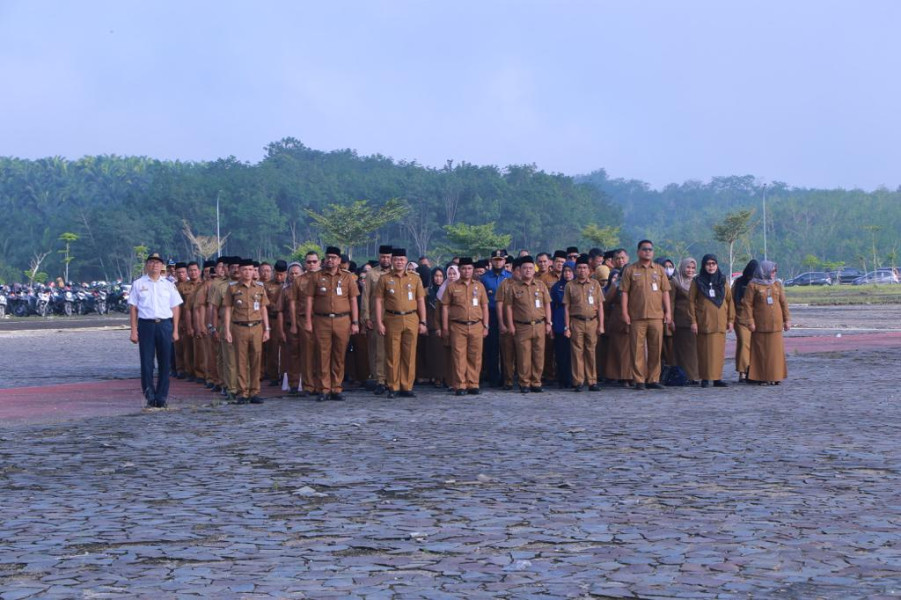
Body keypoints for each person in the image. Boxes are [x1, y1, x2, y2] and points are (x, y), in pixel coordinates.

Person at [128, 251, 183, 409]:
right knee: (147, 362)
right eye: (151, 262)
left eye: (158, 263)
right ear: (147, 265)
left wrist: (175, 330)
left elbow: (176, 307)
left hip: (165, 324)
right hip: (146, 325)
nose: (154, 265)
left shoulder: (168, 284)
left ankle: (161, 396)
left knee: (165, 362)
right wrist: (133, 330)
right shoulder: (139, 284)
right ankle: (149, 395)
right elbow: (133, 308)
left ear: (162, 266)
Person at [304, 246, 360, 401]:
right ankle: (324, 388)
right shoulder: (316, 276)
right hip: (322, 320)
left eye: (334, 257)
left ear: (339, 260)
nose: (330, 260)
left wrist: (355, 322)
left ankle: (336, 387)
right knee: (322, 355)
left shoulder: (347, 277)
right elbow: (309, 299)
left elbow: (353, 300)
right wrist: (308, 321)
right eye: (328, 257)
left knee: (339, 354)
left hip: (343, 320)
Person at [374, 248, 427, 398]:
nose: (399, 262)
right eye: (396, 260)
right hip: (392, 318)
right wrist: (379, 322)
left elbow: (421, 300)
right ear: (392, 261)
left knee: (409, 354)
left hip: (411, 318)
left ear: (406, 261)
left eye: (402, 260)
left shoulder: (415, 278)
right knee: (392, 354)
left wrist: (423, 321)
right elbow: (378, 301)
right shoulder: (384, 279)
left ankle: (407, 386)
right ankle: (393, 386)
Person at [620, 240, 671, 390]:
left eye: (650, 249)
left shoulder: (660, 270)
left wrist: (668, 312)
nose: (647, 252)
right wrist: (624, 313)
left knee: (656, 349)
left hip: (656, 316)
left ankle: (653, 379)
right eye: (644, 249)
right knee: (637, 349)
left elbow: (665, 292)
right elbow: (624, 293)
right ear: (638, 252)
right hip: (636, 316)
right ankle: (639, 379)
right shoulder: (630, 270)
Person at [223, 258, 270, 404]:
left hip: (256, 327)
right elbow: (228, 309)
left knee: (256, 360)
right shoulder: (232, 288)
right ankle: (242, 392)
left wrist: (267, 329)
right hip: (239, 327)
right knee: (241, 361)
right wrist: (227, 330)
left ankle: (254, 391)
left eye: (251, 269)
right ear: (240, 271)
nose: (248, 272)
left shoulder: (260, 288)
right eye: (244, 270)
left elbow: (263, 308)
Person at [441, 257, 489, 395]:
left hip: (476, 325)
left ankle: (473, 383)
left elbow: (484, 306)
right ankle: (460, 384)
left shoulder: (479, 286)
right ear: (459, 270)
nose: (466, 271)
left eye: (469, 268)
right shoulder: (452, 287)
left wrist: (486, 326)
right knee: (459, 356)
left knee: (475, 356)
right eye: (463, 268)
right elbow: (445, 307)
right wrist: (445, 327)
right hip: (457, 326)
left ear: (473, 270)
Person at [504, 256, 552, 393]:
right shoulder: (513, 287)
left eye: (531, 268)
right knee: (523, 356)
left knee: (538, 355)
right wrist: (510, 325)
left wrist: (549, 323)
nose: (528, 271)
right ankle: (524, 383)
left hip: (539, 325)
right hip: (521, 326)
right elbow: (508, 307)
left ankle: (536, 382)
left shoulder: (541, 285)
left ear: (534, 269)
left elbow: (547, 304)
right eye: (525, 268)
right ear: (520, 270)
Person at [741, 260, 791, 385]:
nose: (774, 273)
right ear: (764, 270)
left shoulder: (777, 285)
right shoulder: (753, 285)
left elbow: (783, 303)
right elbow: (747, 304)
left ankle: (775, 376)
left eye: (775, 271)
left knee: (775, 353)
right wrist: (750, 321)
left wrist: (787, 320)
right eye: (772, 271)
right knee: (761, 352)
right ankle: (762, 377)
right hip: (760, 325)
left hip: (776, 325)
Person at [689, 254, 734, 387]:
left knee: (719, 352)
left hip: (720, 322)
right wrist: (693, 321)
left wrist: (730, 320)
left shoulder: (722, 281)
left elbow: (730, 301)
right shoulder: (697, 281)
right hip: (704, 321)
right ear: (704, 265)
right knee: (704, 351)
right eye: (708, 264)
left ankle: (717, 378)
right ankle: (705, 377)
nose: (711, 266)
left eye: (713, 263)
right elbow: (691, 301)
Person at [564, 255, 605, 391]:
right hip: (576, 322)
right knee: (577, 352)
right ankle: (578, 381)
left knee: (591, 351)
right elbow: (566, 307)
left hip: (592, 322)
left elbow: (600, 306)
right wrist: (567, 327)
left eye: (585, 268)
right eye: (579, 268)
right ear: (576, 270)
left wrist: (601, 325)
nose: (582, 270)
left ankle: (592, 381)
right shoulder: (570, 286)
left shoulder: (595, 284)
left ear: (589, 270)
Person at [362, 245, 393, 394]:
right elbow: (366, 296)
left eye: (388, 257)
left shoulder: (396, 273)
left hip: (394, 317)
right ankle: (380, 380)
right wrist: (366, 317)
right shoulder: (371, 274)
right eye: (383, 257)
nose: (385, 259)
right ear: (379, 257)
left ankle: (393, 380)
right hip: (376, 317)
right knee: (379, 350)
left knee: (393, 349)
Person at [481, 249, 511, 387]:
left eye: (501, 260)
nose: (498, 262)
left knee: (507, 348)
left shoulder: (510, 278)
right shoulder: (484, 278)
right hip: (491, 314)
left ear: (505, 261)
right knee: (492, 348)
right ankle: (493, 378)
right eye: (495, 260)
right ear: (491, 261)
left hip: (508, 314)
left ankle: (507, 378)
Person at [669, 257, 700, 383]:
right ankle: (685, 376)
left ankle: (695, 376)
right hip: (681, 320)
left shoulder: (697, 282)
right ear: (682, 267)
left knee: (694, 351)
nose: (690, 270)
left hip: (695, 320)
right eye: (688, 267)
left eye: (693, 268)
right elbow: (671, 301)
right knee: (683, 351)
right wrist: (670, 319)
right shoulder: (675, 282)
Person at [732, 259, 759, 383]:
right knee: (743, 344)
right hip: (740, 317)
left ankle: (753, 371)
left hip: (756, 318)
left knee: (754, 345)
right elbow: (732, 300)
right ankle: (742, 372)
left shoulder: (758, 283)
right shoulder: (738, 282)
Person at [550, 261, 574, 389]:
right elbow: (552, 307)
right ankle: (562, 378)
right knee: (561, 353)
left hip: (575, 323)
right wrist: (552, 326)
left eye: (570, 271)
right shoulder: (557, 287)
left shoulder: (578, 286)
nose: (568, 274)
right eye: (565, 271)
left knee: (573, 354)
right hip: (559, 323)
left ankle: (573, 378)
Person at [423, 267, 448, 388]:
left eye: (441, 276)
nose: (438, 279)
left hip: (447, 325)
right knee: (434, 353)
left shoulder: (447, 290)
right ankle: (436, 376)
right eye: (436, 276)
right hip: (432, 324)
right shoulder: (427, 291)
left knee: (446, 353)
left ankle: (446, 376)